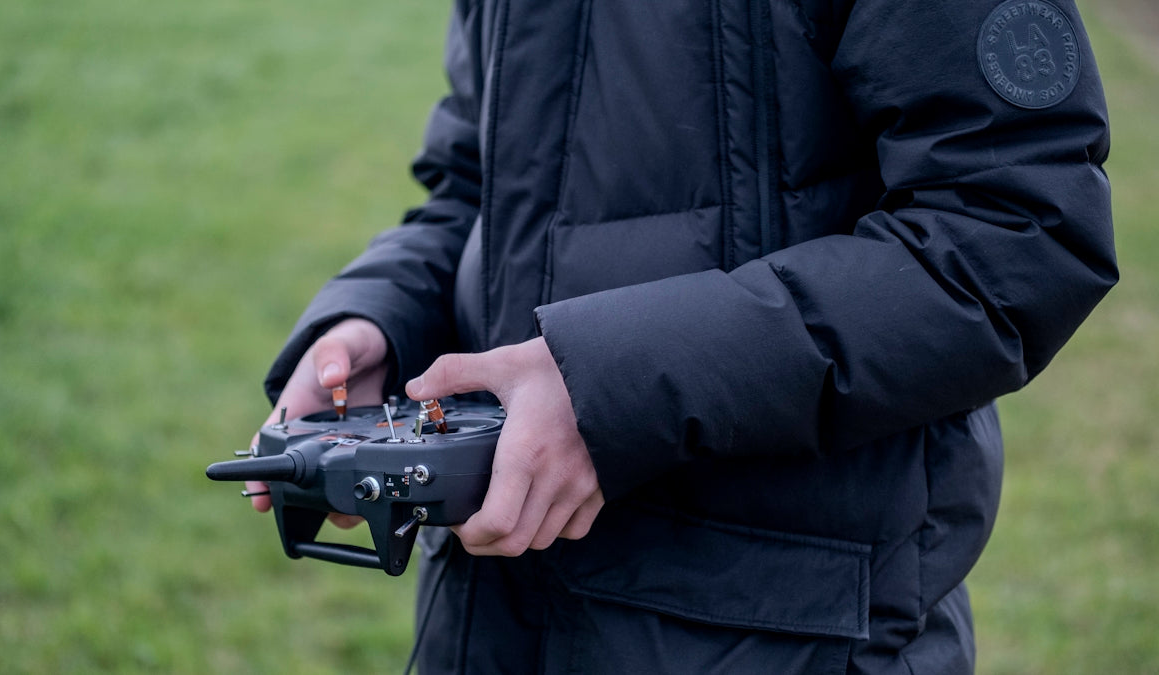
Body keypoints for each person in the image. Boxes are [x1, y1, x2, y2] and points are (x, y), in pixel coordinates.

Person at [244, 0, 1116, 672]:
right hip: (487, 617)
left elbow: (1015, 231)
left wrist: (610, 391)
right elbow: (476, 184)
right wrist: (381, 318)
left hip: (787, 634)